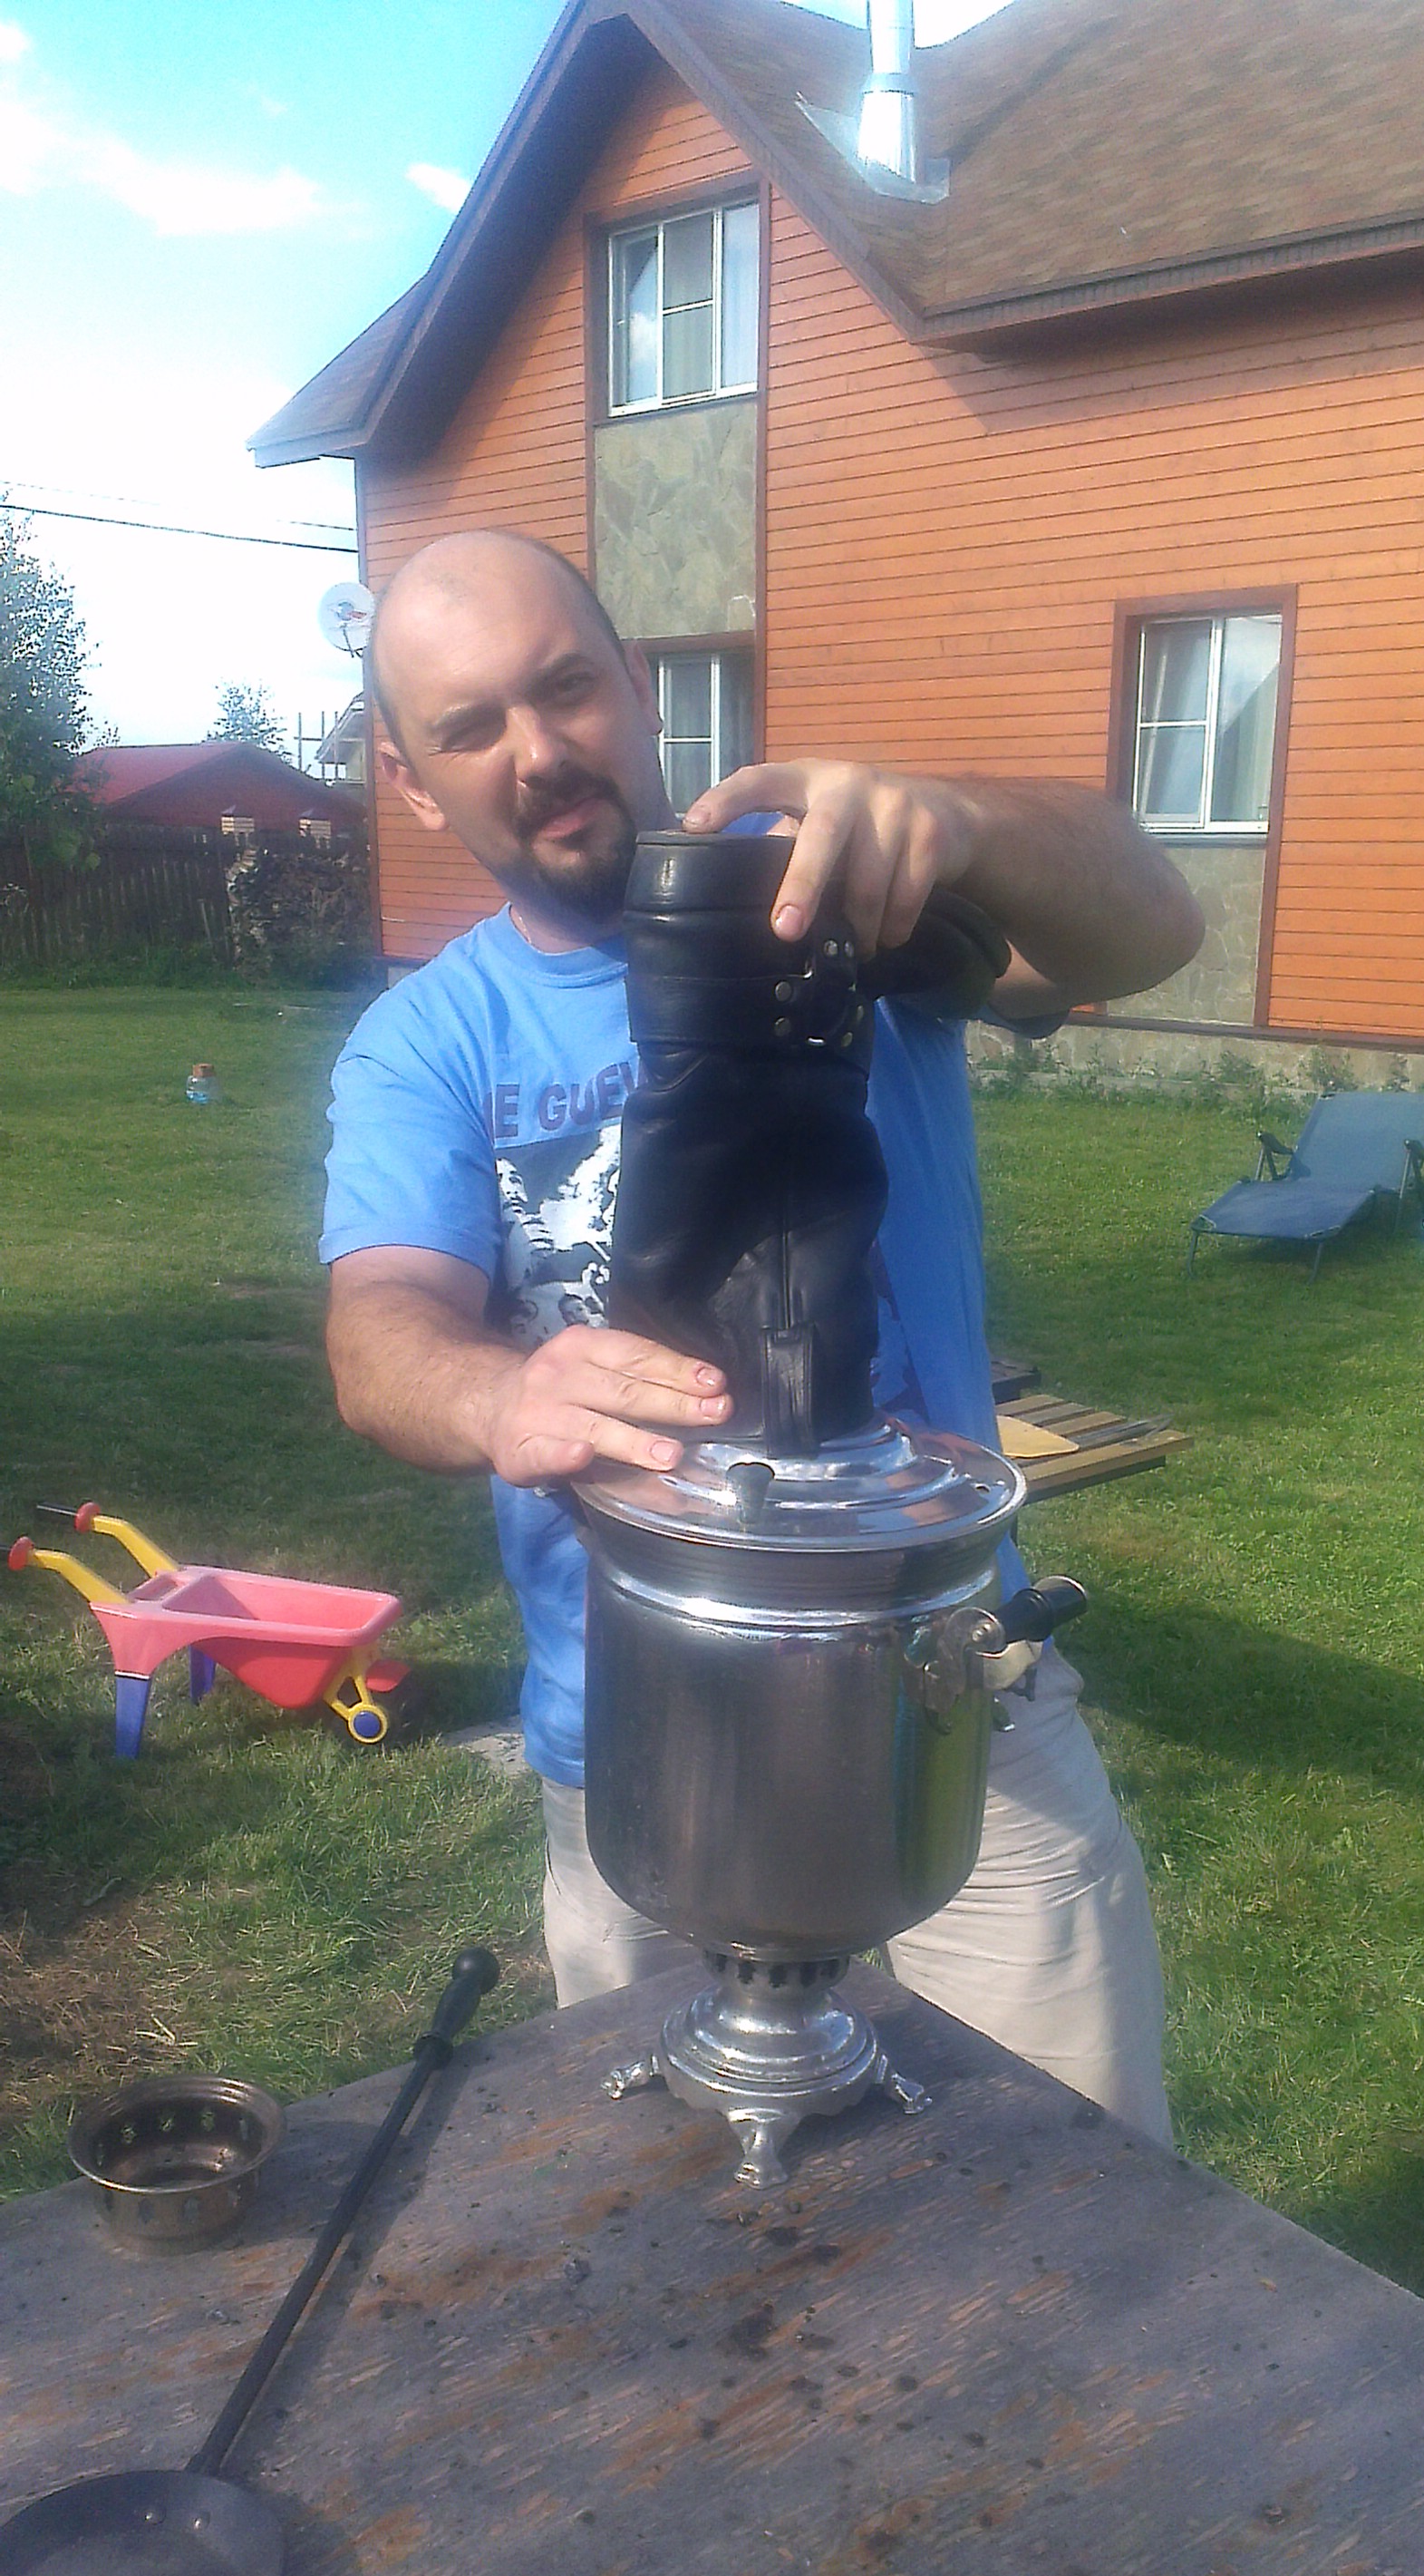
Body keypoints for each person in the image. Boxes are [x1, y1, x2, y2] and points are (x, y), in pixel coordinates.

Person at [321, 529, 1204, 2146]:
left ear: (639, 685)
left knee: (1089, 2192)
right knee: (675, 2222)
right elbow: (379, 1332)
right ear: (411, 776)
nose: (540, 750)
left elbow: (1149, 928)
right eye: (470, 726)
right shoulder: (429, 1040)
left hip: (954, 1693)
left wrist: (960, 822)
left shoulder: (840, 896)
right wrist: (502, 1390)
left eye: (567, 687)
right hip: (637, 1736)